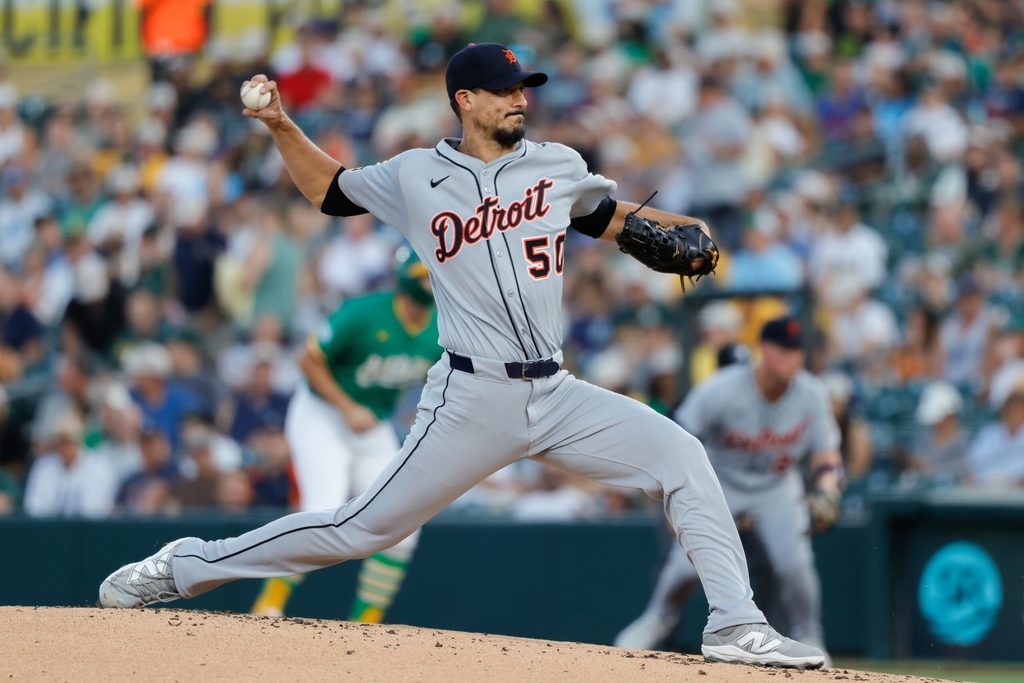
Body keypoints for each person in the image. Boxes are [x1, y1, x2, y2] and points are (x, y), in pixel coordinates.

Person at [98, 43, 825, 669]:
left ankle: (735, 623)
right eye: (507, 91)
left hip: (558, 392)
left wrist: (678, 227)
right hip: (471, 398)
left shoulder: (557, 164)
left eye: (525, 89)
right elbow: (329, 188)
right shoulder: (417, 175)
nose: (520, 100)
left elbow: (615, 220)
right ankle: (181, 566)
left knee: (683, 457)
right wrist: (281, 124)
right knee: (361, 529)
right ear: (466, 100)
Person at [615, 317, 842, 663]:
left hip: (777, 489)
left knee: (795, 562)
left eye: (797, 352)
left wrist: (828, 488)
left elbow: (827, 453)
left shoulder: (811, 393)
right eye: (784, 350)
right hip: (722, 483)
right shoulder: (721, 389)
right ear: (764, 350)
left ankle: (810, 634)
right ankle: (657, 618)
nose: (792, 359)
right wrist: (673, 497)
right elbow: (677, 438)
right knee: (684, 566)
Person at [250, 252, 442, 622]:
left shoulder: (442, 327)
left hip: (372, 424)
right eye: (423, 275)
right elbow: (308, 360)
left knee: (401, 525)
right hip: (321, 413)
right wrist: (346, 407)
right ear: (404, 277)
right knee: (322, 508)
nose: (428, 283)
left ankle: (364, 625)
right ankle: (269, 604)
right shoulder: (365, 312)